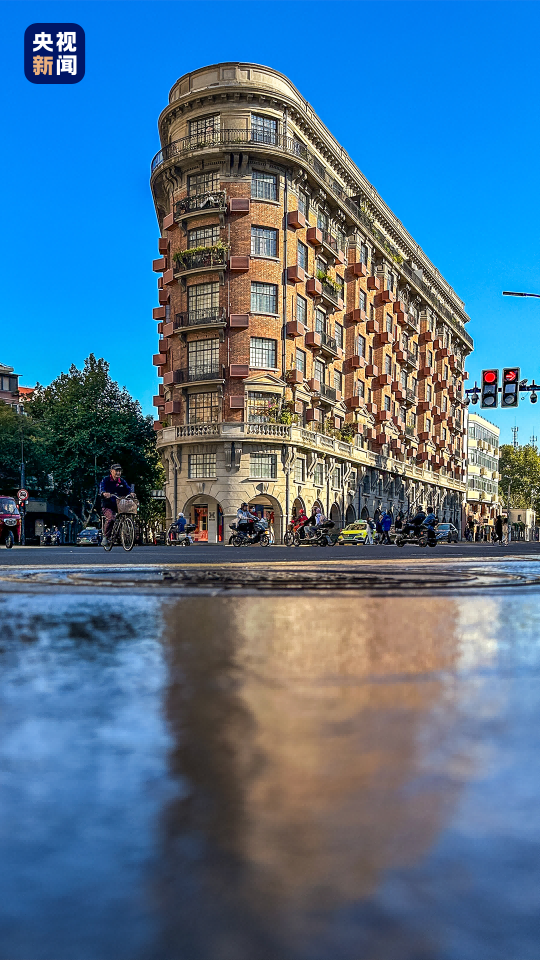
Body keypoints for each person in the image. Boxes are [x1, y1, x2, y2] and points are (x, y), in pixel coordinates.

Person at [100, 463, 131, 545]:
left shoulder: (122, 481)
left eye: (119, 471)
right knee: (111, 518)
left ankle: (121, 532)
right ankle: (105, 536)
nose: (118, 473)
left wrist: (131, 493)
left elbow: (128, 489)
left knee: (126, 513)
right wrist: (104, 493)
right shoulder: (106, 480)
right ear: (111, 471)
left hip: (119, 504)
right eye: (116, 471)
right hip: (107, 505)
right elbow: (102, 488)